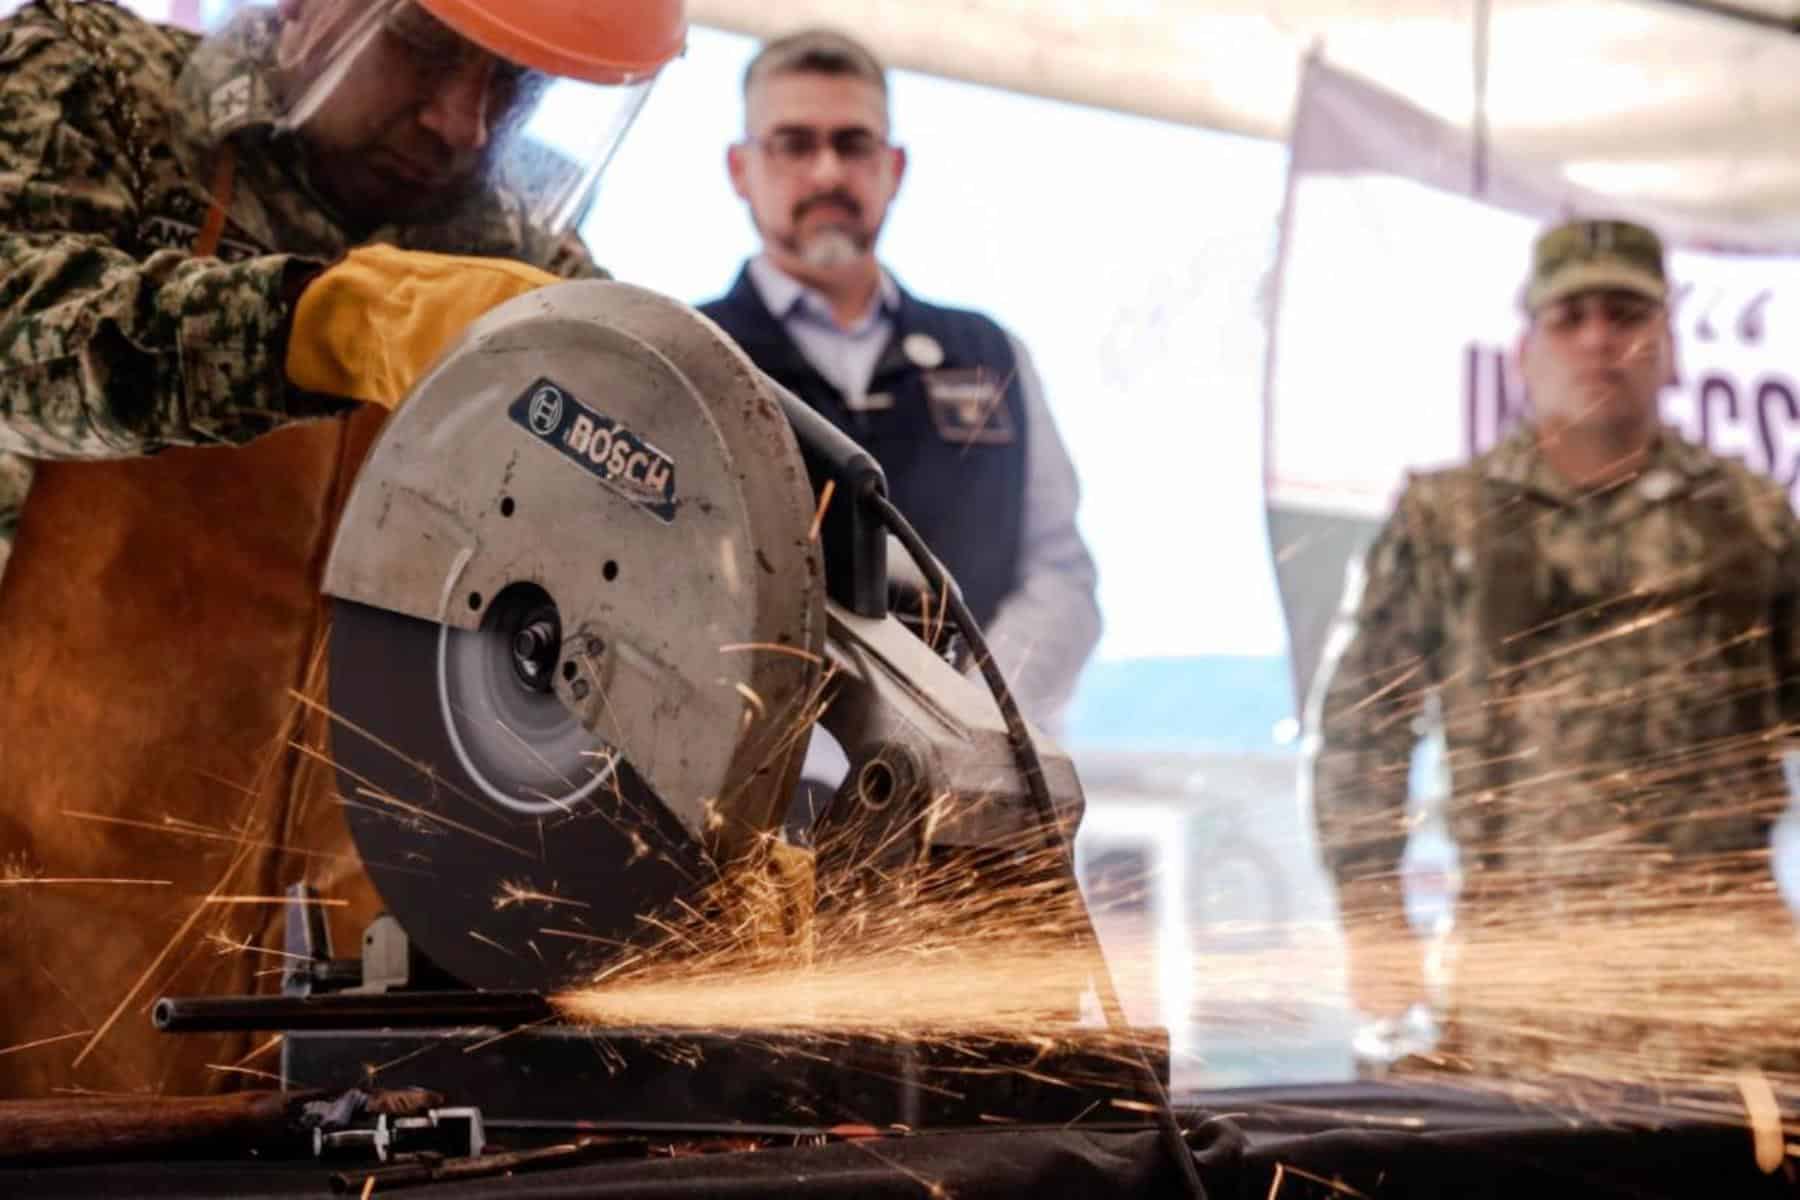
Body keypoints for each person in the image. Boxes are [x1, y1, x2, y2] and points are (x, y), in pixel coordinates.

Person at [0, 0, 683, 1097]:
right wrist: (313, 327)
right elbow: (15, 343)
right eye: (426, 49)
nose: (463, 123)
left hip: (332, 1030)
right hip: (28, 921)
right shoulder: (98, 80)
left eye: (516, 85)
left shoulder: (527, 254)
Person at [1309, 217, 1800, 1082]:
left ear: (1671, 349)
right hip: (1527, 978)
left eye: (1627, 313)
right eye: (1570, 317)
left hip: (1728, 981)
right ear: (1524, 353)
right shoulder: (1448, 520)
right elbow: (1363, 724)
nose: (1600, 339)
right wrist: (1372, 913)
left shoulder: (1753, 520)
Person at [699, 29, 1100, 748]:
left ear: (894, 167)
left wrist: (966, 717)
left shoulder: (989, 354)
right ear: (739, 168)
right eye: (794, 143)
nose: (827, 171)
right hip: (758, 789)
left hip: (972, 789)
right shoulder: (691, 358)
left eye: (853, 145)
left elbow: (1061, 574)